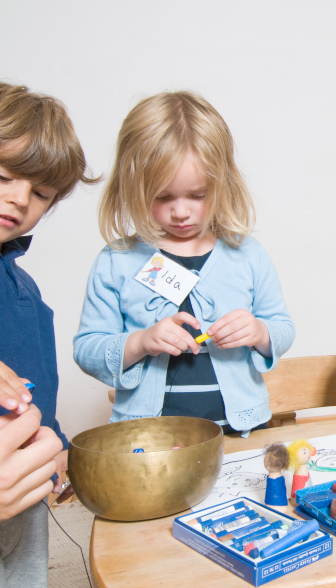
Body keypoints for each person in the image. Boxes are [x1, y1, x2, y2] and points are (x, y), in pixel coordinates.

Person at [0, 81, 93, 586]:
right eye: (2, 175)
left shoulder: (21, 282)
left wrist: (58, 447)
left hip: (21, 492)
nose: (20, 199)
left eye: (42, 193)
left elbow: (32, 385)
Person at [73, 92, 295, 435]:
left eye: (197, 195)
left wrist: (260, 332)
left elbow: (282, 328)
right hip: (149, 440)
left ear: (223, 184)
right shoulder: (116, 262)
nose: (180, 211)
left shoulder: (248, 254)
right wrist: (140, 341)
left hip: (240, 432)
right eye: (162, 196)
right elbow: (87, 348)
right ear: (133, 186)